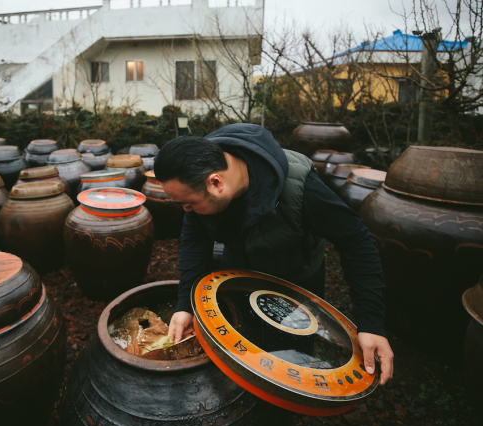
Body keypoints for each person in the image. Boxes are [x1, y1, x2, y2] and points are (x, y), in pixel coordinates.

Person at [154, 123, 394, 384]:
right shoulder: (197, 172)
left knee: (290, 359)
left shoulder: (302, 188)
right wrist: (185, 304)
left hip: (296, 284)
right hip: (239, 275)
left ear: (216, 183)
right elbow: (194, 240)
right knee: (244, 348)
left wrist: (370, 322)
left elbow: (356, 240)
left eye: (189, 204)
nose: (186, 211)